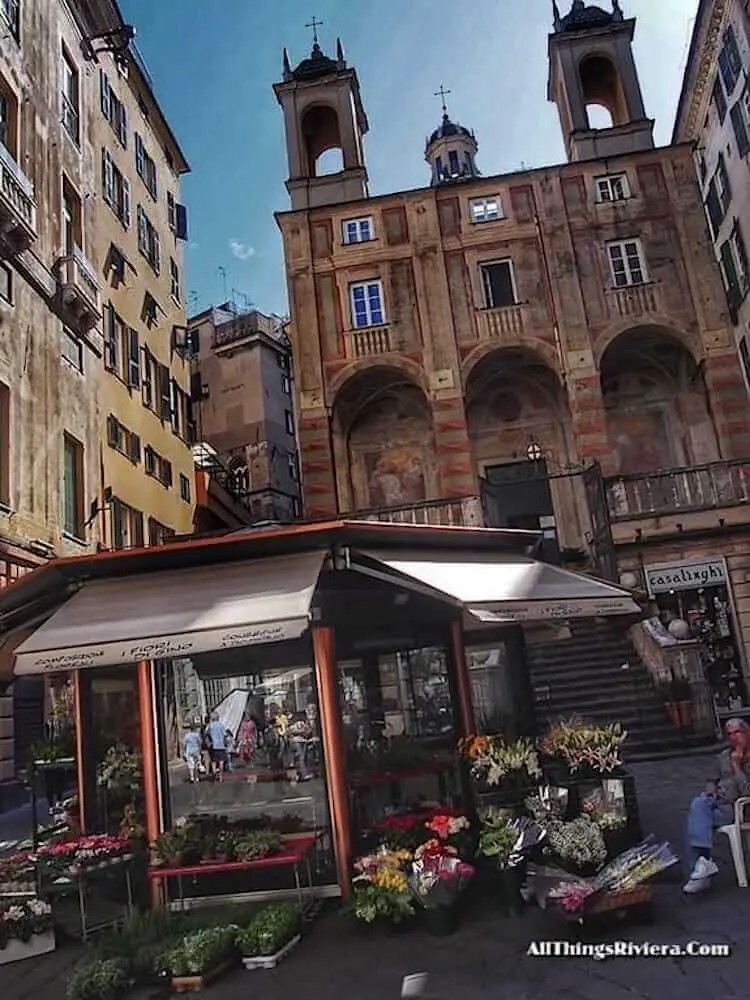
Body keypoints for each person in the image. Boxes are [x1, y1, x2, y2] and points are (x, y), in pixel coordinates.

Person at [684, 717, 750, 893]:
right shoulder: (722, 757)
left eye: (738, 732)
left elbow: (747, 792)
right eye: (730, 734)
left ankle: (701, 867)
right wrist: (709, 791)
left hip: (740, 808)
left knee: (697, 818)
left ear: (748, 733)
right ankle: (703, 864)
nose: (734, 738)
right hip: (718, 803)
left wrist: (737, 765)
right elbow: (711, 781)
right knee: (698, 804)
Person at [207, 712, 227, 781]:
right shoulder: (221, 725)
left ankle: (214, 773)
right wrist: (225, 743)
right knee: (221, 761)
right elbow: (225, 735)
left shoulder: (211, 726)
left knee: (213, 761)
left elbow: (208, 734)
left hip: (213, 745)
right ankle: (221, 777)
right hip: (221, 745)